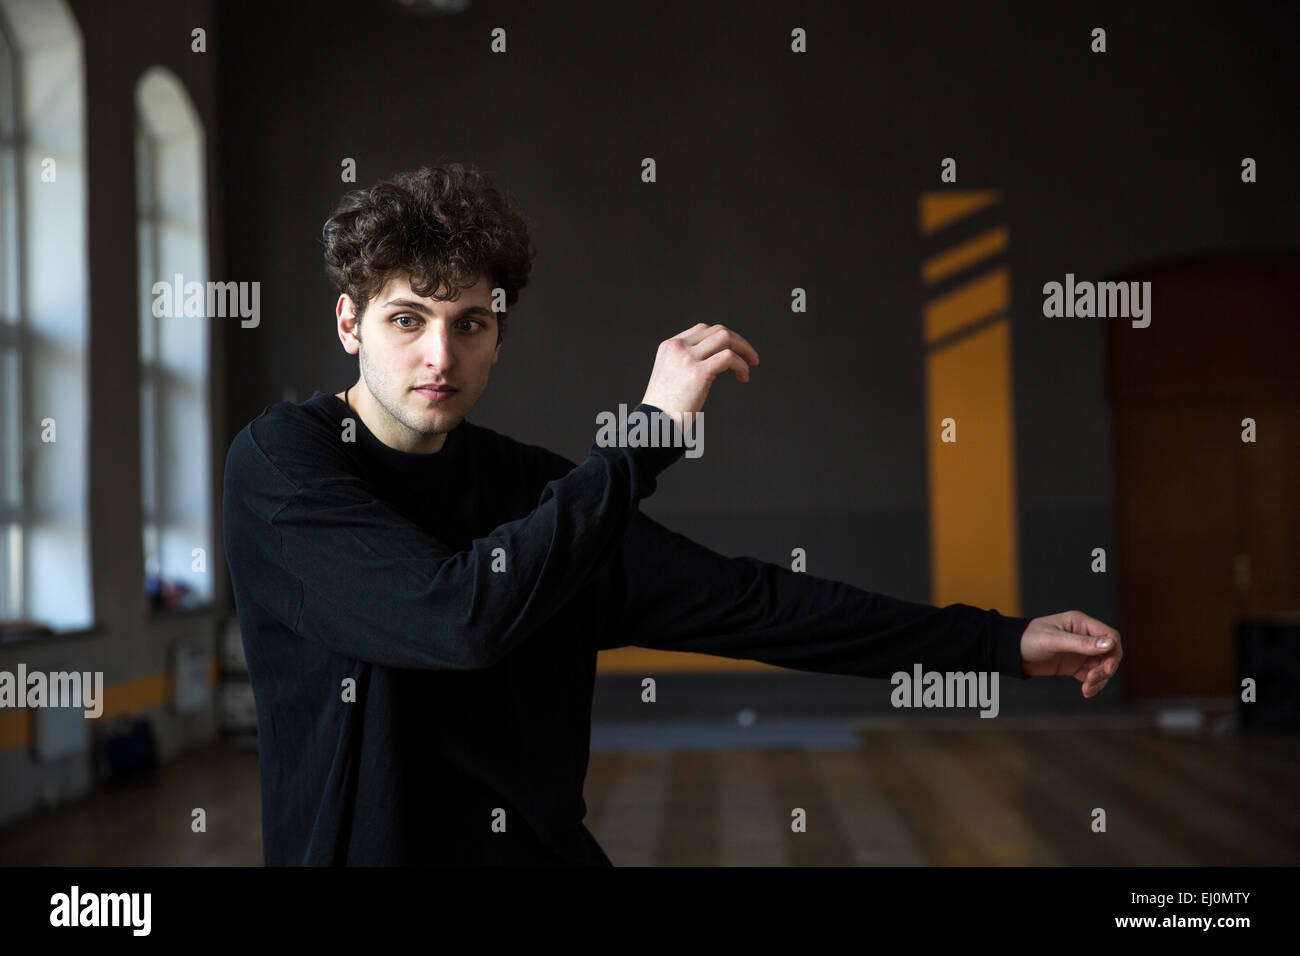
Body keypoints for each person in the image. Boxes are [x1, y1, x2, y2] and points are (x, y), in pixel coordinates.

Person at [221, 164, 1123, 866]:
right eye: (406, 320)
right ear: (349, 325)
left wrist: (998, 645)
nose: (438, 354)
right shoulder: (284, 468)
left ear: (500, 335)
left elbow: (750, 604)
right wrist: (645, 436)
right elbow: (456, 617)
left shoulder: (534, 492)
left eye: (469, 323)